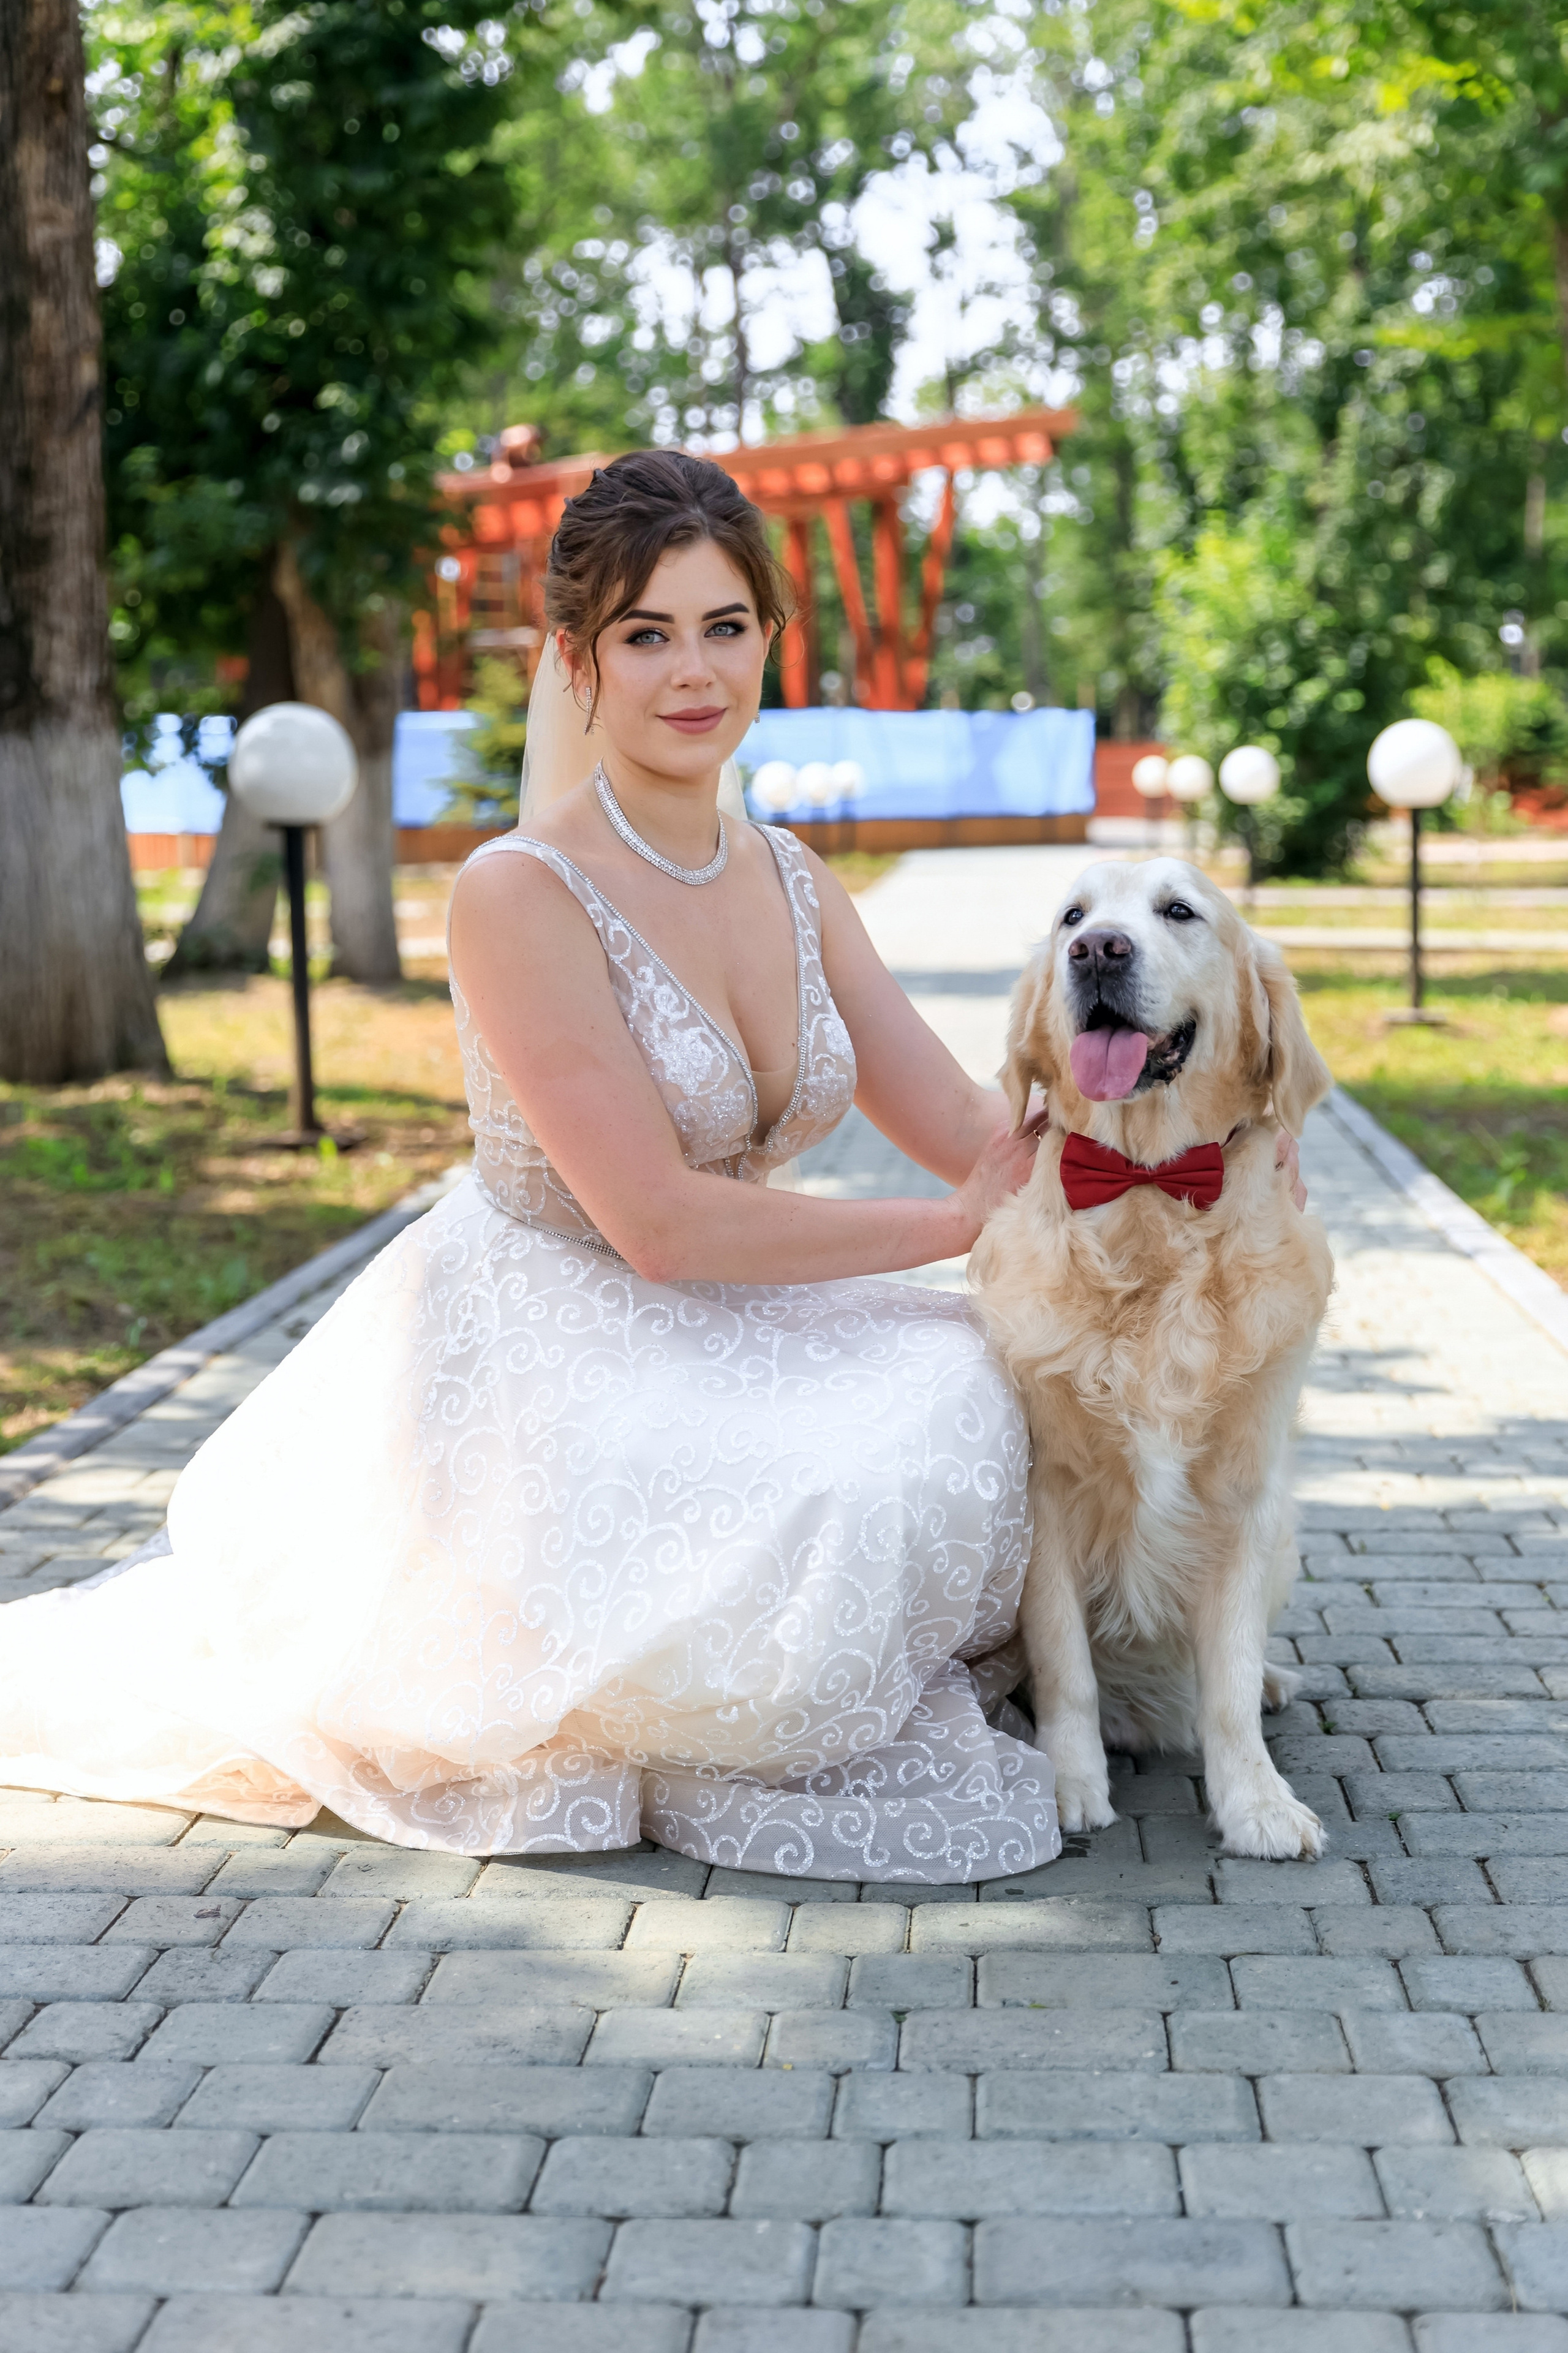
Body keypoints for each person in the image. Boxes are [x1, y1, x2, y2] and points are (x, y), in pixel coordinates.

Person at [0, 454, 1058, 1878]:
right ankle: (736, 1694)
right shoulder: (519, 891)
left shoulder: (798, 882)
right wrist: (950, 1228)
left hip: (752, 1310)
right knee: (864, 1481)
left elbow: (969, 1125)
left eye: (724, 626)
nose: (693, 672)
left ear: (767, 642)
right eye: (646, 634)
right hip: (551, 1327)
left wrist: (1182, 1140)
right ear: (577, 659)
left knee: (986, 1376)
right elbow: (662, 1229)